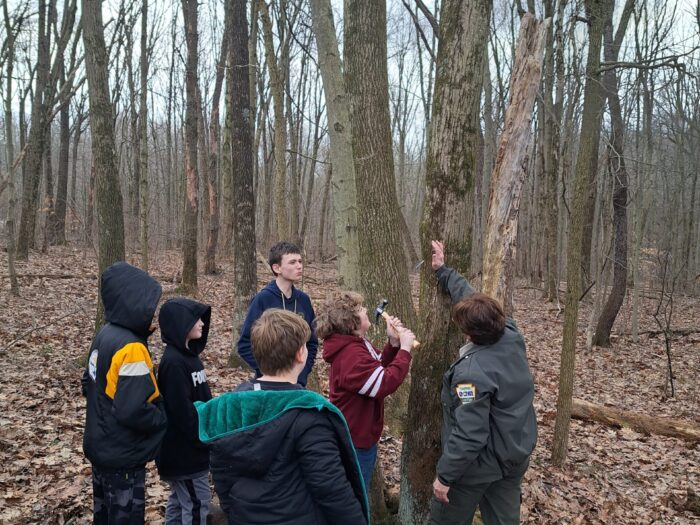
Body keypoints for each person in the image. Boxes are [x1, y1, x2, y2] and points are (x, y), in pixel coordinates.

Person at [197, 309, 369, 525]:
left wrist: (235, 512)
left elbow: (221, 472)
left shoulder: (234, 405)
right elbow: (331, 488)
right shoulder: (309, 414)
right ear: (300, 354)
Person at [428, 240, 537, 525]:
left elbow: (470, 434)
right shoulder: (510, 333)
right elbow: (473, 298)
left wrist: (445, 476)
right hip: (514, 456)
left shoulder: (471, 375)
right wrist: (443, 271)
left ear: (469, 332)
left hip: (478, 467)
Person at [81, 261, 167, 524]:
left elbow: (88, 383)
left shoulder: (105, 334)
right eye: (148, 304)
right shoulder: (131, 348)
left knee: (103, 516)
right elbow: (133, 409)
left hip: (101, 448)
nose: (152, 312)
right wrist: (163, 418)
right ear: (132, 302)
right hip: (122, 456)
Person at [318, 291, 415, 490]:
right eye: (361, 310)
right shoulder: (350, 355)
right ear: (351, 323)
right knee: (354, 496)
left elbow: (376, 369)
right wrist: (405, 350)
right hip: (354, 442)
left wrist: (394, 344)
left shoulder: (357, 344)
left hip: (360, 438)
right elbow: (383, 383)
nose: (366, 310)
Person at [156, 298, 213, 525]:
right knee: (197, 502)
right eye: (195, 319)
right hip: (184, 453)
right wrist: (202, 439)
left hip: (192, 449)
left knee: (180, 502)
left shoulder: (190, 357)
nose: (201, 323)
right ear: (180, 324)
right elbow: (181, 412)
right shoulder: (173, 363)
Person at [236, 241, 318, 386]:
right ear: (277, 268)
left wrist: (303, 371)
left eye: (300, 261)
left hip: (297, 382)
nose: (299, 266)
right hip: (269, 384)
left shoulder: (303, 300)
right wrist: (268, 371)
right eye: (292, 262)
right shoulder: (263, 299)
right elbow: (244, 343)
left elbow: (311, 342)